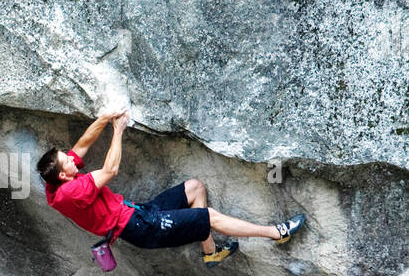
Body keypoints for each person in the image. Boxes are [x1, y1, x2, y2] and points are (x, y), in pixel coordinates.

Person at [36, 112, 304, 264]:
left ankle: (210, 253)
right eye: (67, 160)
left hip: (138, 212)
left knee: (195, 188)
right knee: (208, 216)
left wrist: (105, 117)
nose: (72, 158)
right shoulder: (72, 191)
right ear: (64, 175)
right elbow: (110, 170)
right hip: (140, 226)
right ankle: (275, 233)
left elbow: (82, 144)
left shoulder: (55, 185)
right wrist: (117, 131)